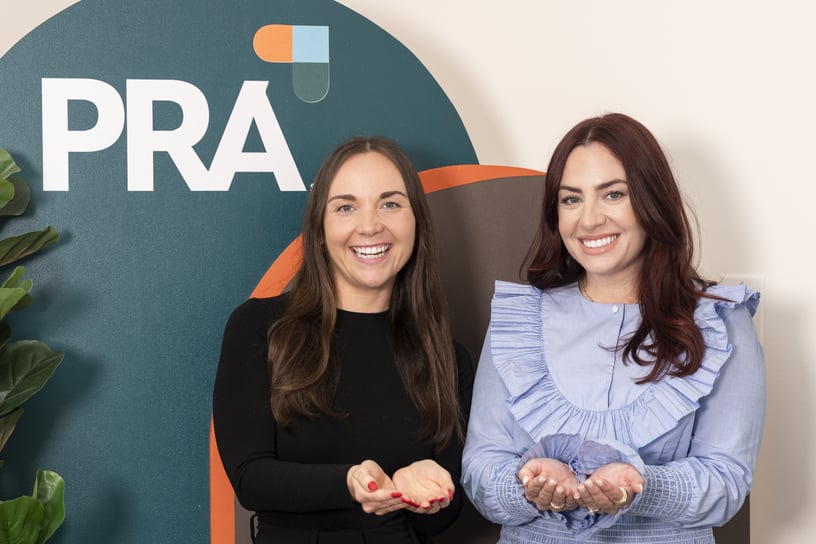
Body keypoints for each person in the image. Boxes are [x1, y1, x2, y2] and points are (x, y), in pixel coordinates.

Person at [461, 113, 765, 543]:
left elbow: (726, 483)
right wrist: (528, 485)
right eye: (571, 199)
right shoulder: (520, 321)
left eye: (613, 194)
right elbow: (480, 470)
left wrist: (641, 486)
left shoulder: (720, 322)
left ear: (652, 201)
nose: (588, 220)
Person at [213, 136, 473, 544]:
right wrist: (350, 482)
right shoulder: (260, 327)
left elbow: (443, 516)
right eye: (346, 207)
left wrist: (428, 492)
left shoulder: (446, 357)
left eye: (390, 204)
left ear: (416, 223)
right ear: (320, 229)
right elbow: (250, 478)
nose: (369, 225)